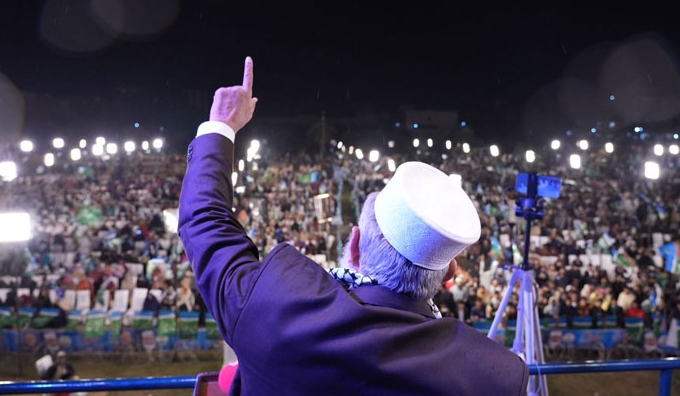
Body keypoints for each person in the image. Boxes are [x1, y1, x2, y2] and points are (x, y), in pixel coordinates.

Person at [178, 57, 528, 395]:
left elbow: (206, 222)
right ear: (450, 272)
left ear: (355, 245)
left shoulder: (274, 308)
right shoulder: (493, 376)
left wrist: (221, 127)